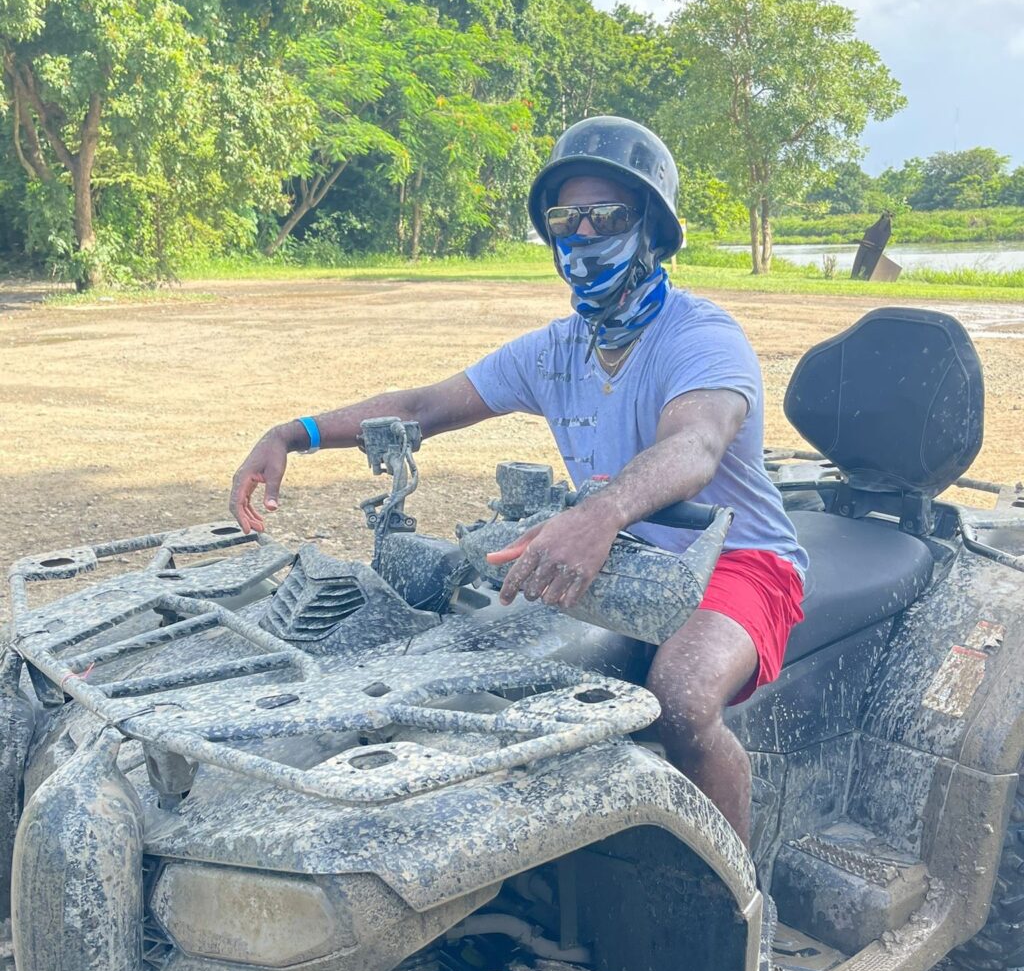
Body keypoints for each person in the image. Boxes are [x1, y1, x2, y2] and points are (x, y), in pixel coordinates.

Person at [229, 116, 807, 847]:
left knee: (684, 698)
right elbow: (422, 408)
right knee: (476, 657)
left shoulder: (700, 336)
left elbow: (695, 444)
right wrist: (293, 434)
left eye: (607, 216)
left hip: (735, 560)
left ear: (652, 231)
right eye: (567, 218)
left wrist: (601, 514)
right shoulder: (558, 350)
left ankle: (734, 892)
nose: (583, 234)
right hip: (618, 553)